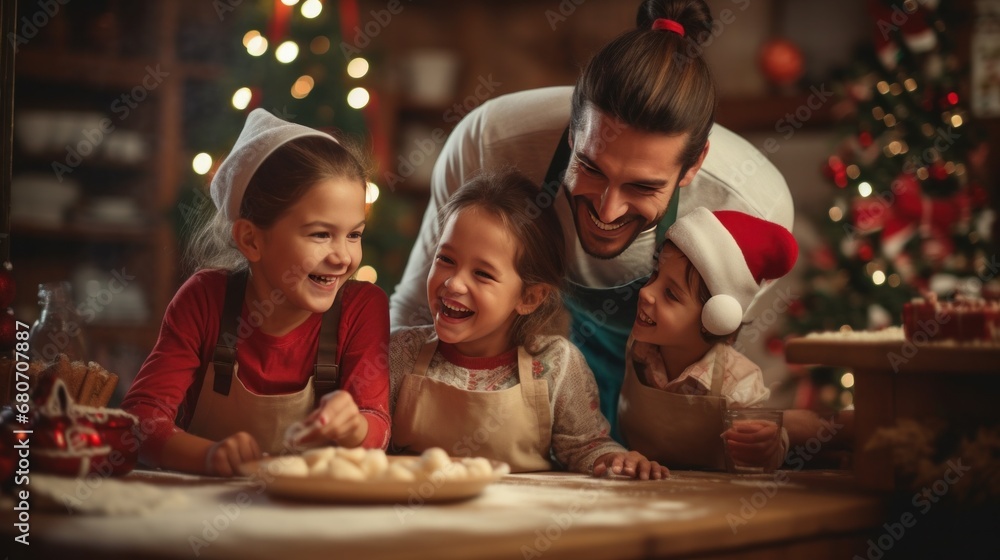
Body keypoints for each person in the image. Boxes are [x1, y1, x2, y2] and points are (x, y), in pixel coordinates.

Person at [388, 0, 793, 439]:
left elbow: (725, 372)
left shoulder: (752, 205)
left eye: (642, 187)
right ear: (571, 130)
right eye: (592, 168)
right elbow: (413, 316)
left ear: (694, 166)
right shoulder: (488, 141)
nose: (607, 210)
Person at [122, 109, 391, 477]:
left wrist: (356, 427)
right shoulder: (204, 300)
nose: (344, 257)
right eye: (320, 234)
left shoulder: (362, 308)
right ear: (251, 239)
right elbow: (141, 421)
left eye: (354, 234)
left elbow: (377, 424)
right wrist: (211, 456)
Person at [389, 168, 668, 479]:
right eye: (446, 259)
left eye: (483, 274)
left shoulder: (556, 364)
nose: (453, 284)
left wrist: (618, 461)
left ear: (530, 297)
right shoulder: (401, 352)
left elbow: (587, 448)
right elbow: (369, 436)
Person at [620, 207, 797, 470]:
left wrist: (767, 444)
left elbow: (762, 452)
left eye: (670, 294)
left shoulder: (738, 381)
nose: (646, 292)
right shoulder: (638, 350)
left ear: (715, 318)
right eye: (655, 275)